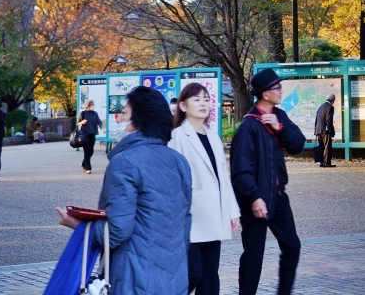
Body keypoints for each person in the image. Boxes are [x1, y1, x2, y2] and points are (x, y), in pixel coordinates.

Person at [55, 86, 192, 295]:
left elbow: (118, 230)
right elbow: (185, 220)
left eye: (125, 113)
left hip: (133, 276)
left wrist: (78, 224)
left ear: (139, 120)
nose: (120, 119)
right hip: (174, 275)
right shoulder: (179, 161)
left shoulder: (124, 162)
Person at [231, 69, 306, 295]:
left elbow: (298, 144)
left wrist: (279, 128)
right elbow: (239, 172)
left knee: (292, 246)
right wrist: (254, 197)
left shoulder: (279, 116)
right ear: (265, 94)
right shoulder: (248, 127)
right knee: (254, 255)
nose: (281, 91)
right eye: (277, 88)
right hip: (256, 200)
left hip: (278, 196)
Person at [169, 83, 239, 295]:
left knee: (210, 274)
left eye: (207, 99)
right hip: (189, 216)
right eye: (197, 99)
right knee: (193, 273)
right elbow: (173, 180)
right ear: (182, 105)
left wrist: (232, 212)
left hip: (212, 215)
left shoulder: (213, 137)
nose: (203, 103)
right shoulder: (176, 137)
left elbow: (222, 179)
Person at [77, 100, 103, 174]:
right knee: (86, 151)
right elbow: (77, 123)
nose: (93, 105)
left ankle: (83, 163)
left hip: (92, 134)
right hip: (85, 135)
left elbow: (99, 122)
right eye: (92, 104)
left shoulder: (94, 114)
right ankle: (88, 168)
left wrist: (102, 128)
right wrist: (82, 122)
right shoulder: (83, 113)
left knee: (91, 151)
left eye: (93, 104)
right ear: (87, 105)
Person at [313, 93, 335, 167]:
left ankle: (321, 162)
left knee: (321, 146)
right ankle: (327, 163)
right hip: (325, 130)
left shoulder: (321, 107)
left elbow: (317, 119)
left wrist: (315, 130)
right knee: (327, 146)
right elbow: (329, 120)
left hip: (318, 129)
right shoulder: (330, 107)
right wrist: (330, 129)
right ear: (333, 100)